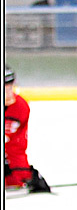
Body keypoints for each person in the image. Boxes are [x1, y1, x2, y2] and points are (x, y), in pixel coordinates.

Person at [4, 64, 50, 193]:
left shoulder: (21, 107)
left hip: (9, 155)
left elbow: (17, 144)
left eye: (9, 86)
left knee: (19, 178)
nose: (8, 93)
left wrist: (24, 174)